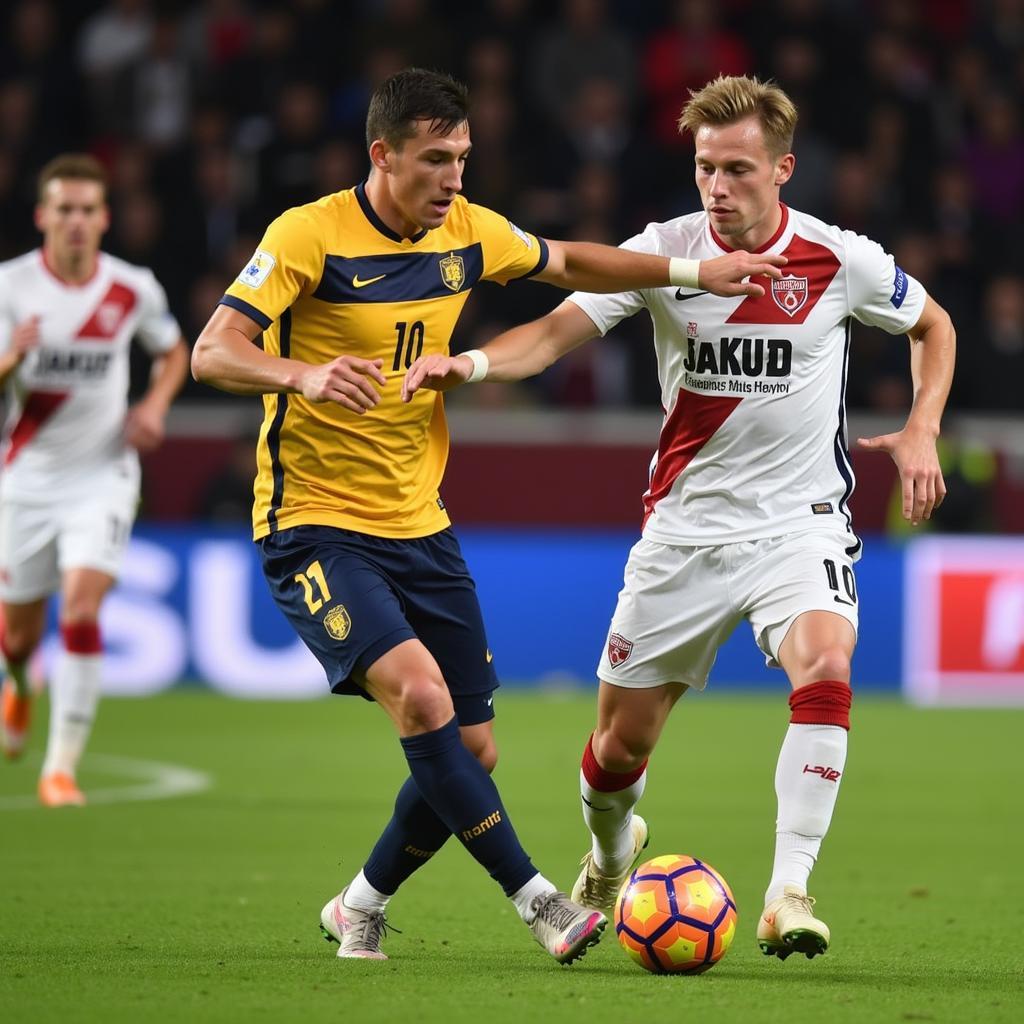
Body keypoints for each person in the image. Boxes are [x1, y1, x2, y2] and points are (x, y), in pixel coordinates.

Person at [191, 67, 784, 966]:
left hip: (418, 522)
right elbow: (214, 351)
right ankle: (539, 900)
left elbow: (571, 261)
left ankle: (359, 904)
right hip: (312, 521)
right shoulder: (307, 236)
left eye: (463, 158)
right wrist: (301, 374)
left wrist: (698, 270)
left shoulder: (466, 231)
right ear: (381, 155)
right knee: (421, 699)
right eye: (435, 160)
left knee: (472, 748)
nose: (454, 179)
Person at [403, 74, 956, 961]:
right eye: (705, 168)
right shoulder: (665, 253)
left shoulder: (837, 257)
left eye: (737, 169)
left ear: (783, 168)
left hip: (799, 524)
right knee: (619, 748)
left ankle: (789, 890)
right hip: (684, 535)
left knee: (827, 662)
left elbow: (935, 325)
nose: (717, 187)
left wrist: (925, 426)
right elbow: (549, 335)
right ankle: (612, 854)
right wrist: (463, 366)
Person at [0, 153, 189, 805]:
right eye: (65, 209)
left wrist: (153, 407)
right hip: (25, 477)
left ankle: (60, 769)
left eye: (87, 210)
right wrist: (10, 361)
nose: (76, 221)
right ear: (42, 216)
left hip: (103, 472)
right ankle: (20, 684)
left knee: (81, 607)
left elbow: (173, 351)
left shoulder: (130, 287)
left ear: (104, 218)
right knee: (17, 636)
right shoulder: (10, 287)